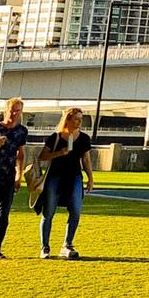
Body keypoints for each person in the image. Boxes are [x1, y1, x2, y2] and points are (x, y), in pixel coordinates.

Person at [36, 106, 94, 260]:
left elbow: (86, 159)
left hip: (74, 177)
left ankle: (67, 244)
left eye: (81, 119)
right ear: (68, 119)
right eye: (76, 119)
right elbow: (42, 156)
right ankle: (45, 247)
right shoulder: (55, 137)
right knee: (48, 212)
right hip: (55, 177)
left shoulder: (83, 138)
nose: (79, 122)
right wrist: (59, 153)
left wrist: (90, 178)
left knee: (76, 210)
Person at [0, 96, 30, 260]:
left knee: (3, 216)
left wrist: (19, 175)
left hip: (9, 178)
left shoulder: (22, 131)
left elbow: (21, 154)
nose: (15, 113)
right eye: (12, 110)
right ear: (6, 110)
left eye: (18, 111)